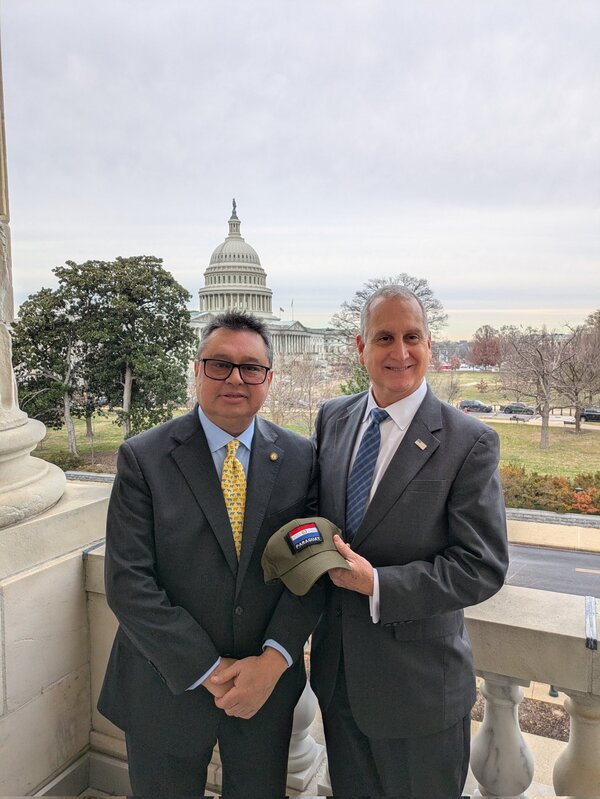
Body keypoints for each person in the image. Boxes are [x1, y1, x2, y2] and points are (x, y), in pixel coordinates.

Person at [98, 310, 320, 798]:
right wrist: (211, 670)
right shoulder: (145, 457)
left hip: (265, 687)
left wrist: (274, 660)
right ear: (197, 370)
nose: (236, 378)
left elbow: (311, 571)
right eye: (219, 364)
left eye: (251, 368)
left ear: (268, 379)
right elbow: (128, 582)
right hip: (165, 685)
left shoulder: (301, 458)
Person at [310, 286, 508, 799]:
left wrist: (377, 583)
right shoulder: (333, 417)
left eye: (412, 337)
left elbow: (481, 566)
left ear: (429, 344)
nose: (400, 352)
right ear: (360, 347)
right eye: (384, 338)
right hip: (339, 682)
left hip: (420, 694)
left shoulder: (470, 441)